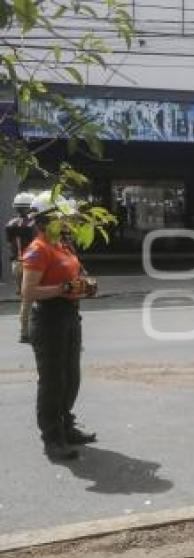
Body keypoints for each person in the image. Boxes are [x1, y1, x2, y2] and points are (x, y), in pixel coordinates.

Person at [20, 192, 97, 461]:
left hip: (69, 315)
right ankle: (52, 438)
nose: (67, 222)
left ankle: (66, 425)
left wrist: (86, 284)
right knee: (53, 381)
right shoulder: (38, 249)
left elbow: (77, 274)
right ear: (46, 220)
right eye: (61, 217)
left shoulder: (63, 245)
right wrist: (63, 288)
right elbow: (28, 292)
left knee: (71, 377)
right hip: (49, 319)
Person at [6, 192, 35, 343]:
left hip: (16, 264)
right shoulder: (33, 224)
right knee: (32, 298)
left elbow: (10, 243)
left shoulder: (10, 224)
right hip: (30, 264)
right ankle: (30, 331)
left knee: (25, 299)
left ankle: (24, 331)